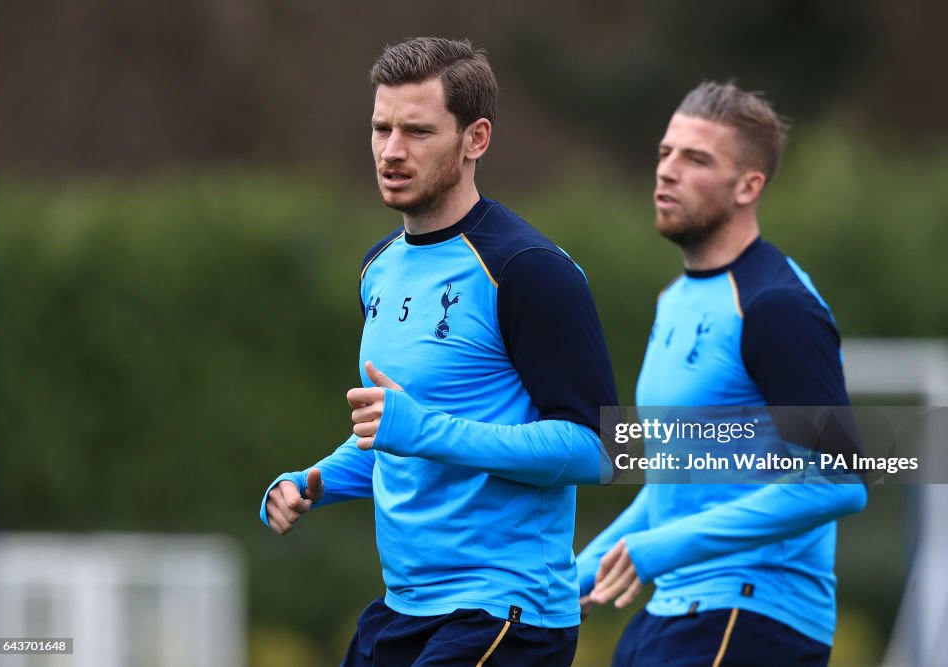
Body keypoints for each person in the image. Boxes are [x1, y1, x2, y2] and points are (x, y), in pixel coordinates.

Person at [259, 37, 619, 667]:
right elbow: (399, 436)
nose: (391, 150)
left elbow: (595, 450)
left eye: (418, 131)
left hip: (506, 612)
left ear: (475, 138)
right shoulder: (379, 268)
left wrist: (423, 430)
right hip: (405, 608)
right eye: (381, 128)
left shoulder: (528, 270)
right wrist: (312, 480)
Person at [576, 81, 867, 666]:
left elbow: (841, 479)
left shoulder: (776, 306)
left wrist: (662, 548)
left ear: (748, 186)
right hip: (676, 613)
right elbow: (672, 491)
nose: (668, 172)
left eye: (696, 159)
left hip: (752, 617)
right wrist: (573, 571)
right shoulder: (675, 298)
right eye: (665, 153)